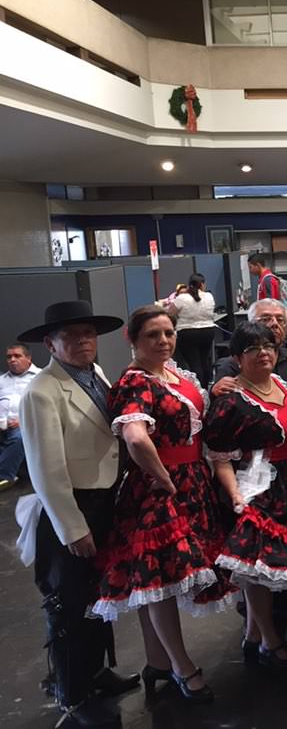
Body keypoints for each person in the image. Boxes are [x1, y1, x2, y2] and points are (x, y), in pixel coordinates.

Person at [93, 305, 235, 703]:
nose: (163, 341)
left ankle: (157, 661)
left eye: (168, 333)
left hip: (191, 481)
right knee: (159, 582)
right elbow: (136, 437)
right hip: (163, 490)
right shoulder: (136, 381)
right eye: (152, 335)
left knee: (155, 581)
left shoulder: (174, 374)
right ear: (133, 339)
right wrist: (164, 476)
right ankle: (181, 666)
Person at [18, 301, 138, 728]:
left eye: (88, 333)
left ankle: (97, 671)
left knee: (98, 596)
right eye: (70, 336)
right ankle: (71, 690)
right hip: (72, 507)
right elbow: (46, 470)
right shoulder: (42, 392)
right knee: (67, 603)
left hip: (105, 503)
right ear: (50, 344)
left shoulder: (94, 374)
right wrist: (72, 527)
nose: (83, 341)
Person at [203, 322, 287, 671]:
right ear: (237, 358)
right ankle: (271, 641)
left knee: (273, 569)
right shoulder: (230, 400)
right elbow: (220, 457)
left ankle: (254, 636)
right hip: (259, 488)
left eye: (268, 346)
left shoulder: (281, 384)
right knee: (258, 569)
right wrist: (237, 496)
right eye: (253, 349)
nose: (263, 353)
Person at [214, 299, 287, 399]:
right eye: (266, 319)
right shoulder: (232, 366)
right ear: (251, 324)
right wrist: (214, 392)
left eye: (280, 320)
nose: (275, 324)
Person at [0, 343, 40, 491]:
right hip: (3, 424)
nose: (12, 359)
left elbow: (45, 406)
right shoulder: (2, 380)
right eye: (9, 357)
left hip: (27, 423)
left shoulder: (41, 377)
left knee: (20, 436)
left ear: (28, 358)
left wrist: (23, 420)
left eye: (17, 356)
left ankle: (4, 477)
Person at [168, 273, 217, 388]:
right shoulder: (209, 296)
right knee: (204, 361)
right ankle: (206, 388)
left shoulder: (181, 298)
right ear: (202, 284)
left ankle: (199, 389)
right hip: (208, 331)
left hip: (188, 333)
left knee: (194, 363)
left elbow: (170, 313)